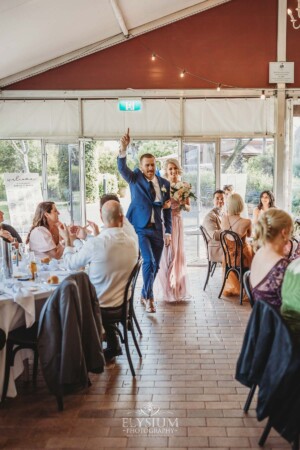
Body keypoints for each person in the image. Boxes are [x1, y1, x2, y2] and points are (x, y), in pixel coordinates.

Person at [59, 200, 138, 361]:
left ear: (102, 220)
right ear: (121, 218)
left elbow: (70, 263)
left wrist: (68, 240)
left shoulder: (97, 244)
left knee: (67, 302)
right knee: (103, 285)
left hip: (100, 307)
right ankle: (112, 344)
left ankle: (77, 356)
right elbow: (102, 248)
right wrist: (82, 238)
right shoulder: (132, 242)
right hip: (124, 305)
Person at [117, 129, 172, 313]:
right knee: (149, 262)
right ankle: (149, 299)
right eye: (147, 165)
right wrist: (123, 149)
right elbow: (122, 169)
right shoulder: (135, 179)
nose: (150, 168)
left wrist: (168, 231)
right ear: (141, 167)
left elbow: (168, 208)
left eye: (152, 165)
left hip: (157, 229)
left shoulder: (164, 184)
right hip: (140, 228)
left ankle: (143, 293)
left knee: (155, 267)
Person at [155, 158, 190, 302]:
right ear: (166, 171)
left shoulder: (185, 186)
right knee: (166, 255)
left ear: (178, 170)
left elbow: (189, 207)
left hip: (178, 221)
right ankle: (167, 288)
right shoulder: (162, 185)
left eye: (175, 169)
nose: (173, 171)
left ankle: (177, 288)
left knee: (176, 254)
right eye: (170, 169)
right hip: (166, 223)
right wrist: (166, 205)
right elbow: (157, 205)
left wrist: (182, 203)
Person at [250, 208, 293, 309]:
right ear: (284, 233)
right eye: (291, 231)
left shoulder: (259, 253)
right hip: (279, 322)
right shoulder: (282, 265)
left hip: (263, 320)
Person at [221, 193, 253, 296]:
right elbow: (249, 235)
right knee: (253, 251)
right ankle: (251, 286)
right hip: (241, 258)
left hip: (227, 257)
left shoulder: (224, 218)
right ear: (241, 205)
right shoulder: (247, 221)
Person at [202, 190, 225, 263]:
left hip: (222, 246)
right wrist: (230, 229)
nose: (220, 201)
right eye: (217, 198)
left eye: (222, 199)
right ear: (213, 201)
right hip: (216, 249)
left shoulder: (223, 213)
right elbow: (215, 235)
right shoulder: (210, 216)